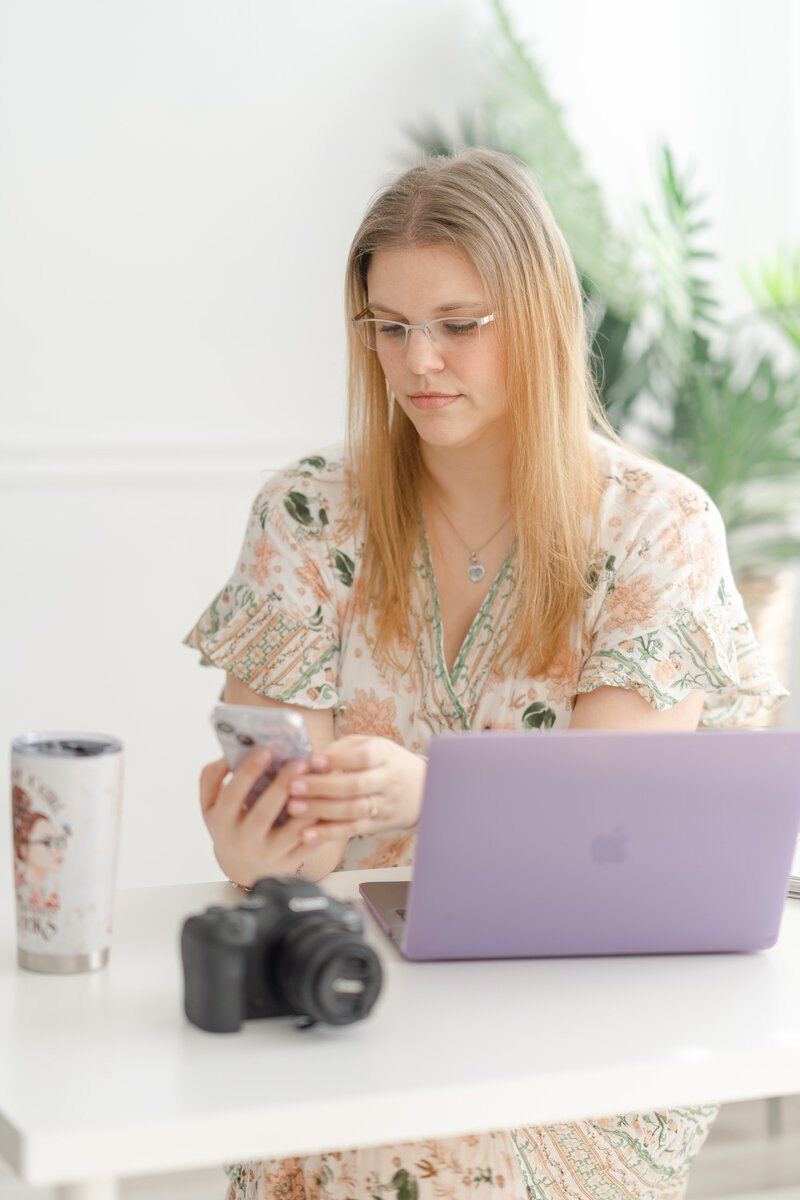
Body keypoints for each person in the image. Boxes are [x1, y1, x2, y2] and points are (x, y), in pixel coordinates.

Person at [185, 148, 785, 1200]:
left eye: (460, 325)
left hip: (579, 1032)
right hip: (349, 1000)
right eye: (389, 326)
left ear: (540, 317)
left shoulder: (656, 526)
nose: (420, 361)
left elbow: (620, 840)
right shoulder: (304, 515)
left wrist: (428, 795)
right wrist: (262, 847)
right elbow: (297, 843)